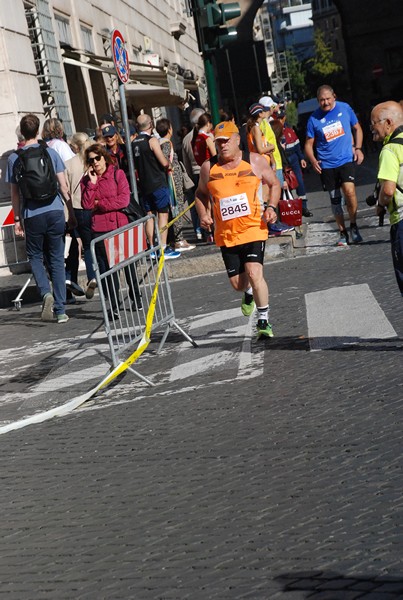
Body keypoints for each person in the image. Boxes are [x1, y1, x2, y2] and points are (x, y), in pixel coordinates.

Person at [195, 121, 281, 339]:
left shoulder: (255, 161)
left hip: (254, 228)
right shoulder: (209, 168)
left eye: (226, 141)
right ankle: (248, 293)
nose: (222, 146)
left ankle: (263, 321)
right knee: (239, 284)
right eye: (218, 142)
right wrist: (203, 214)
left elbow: (274, 184)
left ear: (237, 139)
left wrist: (271, 207)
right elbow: (200, 194)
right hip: (226, 234)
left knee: (254, 272)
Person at [7, 113, 76, 323]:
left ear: (22, 132)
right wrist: (71, 212)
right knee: (56, 259)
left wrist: (17, 220)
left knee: (35, 256)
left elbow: (15, 193)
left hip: (32, 215)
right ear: (38, 131)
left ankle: (45, 293)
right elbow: (64, 186)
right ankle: (61, 309)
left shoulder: (13, 158)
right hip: (54, 211)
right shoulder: (50, 152)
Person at [80, 143, 142, 317]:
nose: (95, 163)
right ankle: (114, 306)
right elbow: (86, 204)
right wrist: (92, 185)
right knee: (108, 271)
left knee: (129, 267)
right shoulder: (87, 180)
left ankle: (135, 296)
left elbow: (123, 200)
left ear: (104, 157)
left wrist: (100, 205)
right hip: (100, 230)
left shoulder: (117, 174)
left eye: (97, 158)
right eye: (91, 160)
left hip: (120, 226)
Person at [305, 84, 364, 246]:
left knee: (350, 192)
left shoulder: (344, 108)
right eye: (322, 100)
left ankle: (353, 224)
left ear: (334, 97)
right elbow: (308, 144)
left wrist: (358, 149)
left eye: (328, 99)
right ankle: (342, 232)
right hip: (327, 165)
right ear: (318, 101)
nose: (325, 103)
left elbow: (357, 128)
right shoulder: (314, 119)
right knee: (335, 199)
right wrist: (313, 160)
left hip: (345, 159)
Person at [132, 114, 180, 259]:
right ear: (151, 124)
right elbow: (163, 161)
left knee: (149, 216)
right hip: (157, 182)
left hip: (144, 185)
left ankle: (152, 248)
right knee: (162, 214)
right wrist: (169, 164)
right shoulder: (151, 140)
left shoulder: (134, 142)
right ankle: (163, 248)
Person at [370, 101, 403, 297]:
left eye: (374, 123)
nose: (372, 128)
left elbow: (388, 190)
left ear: (388, 123)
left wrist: (380, 204)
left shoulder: (390, 150)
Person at [65, 132, 97, 300]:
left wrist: (68, 214)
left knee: (71, 248)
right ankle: (92, 276)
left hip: (74, 209)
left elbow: (65, 191)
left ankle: (70, 280)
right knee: (89, 245)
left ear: (75, 146)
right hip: (89, 208)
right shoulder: (93, 161)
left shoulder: (68, 164)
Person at [155, 118, 195, 251]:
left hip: (168, 180)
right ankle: (179, 239)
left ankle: (173, 239)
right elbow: (166, 160)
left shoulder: (158, 143)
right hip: (172, 181)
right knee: (176, 207)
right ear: (169, 129)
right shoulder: (166, 143)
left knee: (173, 209)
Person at [277, 111, 313, 217]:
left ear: (284, 118)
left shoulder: (290, 130)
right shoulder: (275, 131)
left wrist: (301, 158)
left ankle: (304, 207)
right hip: (283, 159)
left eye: (282, 117)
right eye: (278, 118)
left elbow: (297, 145)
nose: (280, 120)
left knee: (299, 182)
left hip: (294, 158)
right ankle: (291, 208)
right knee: (286, 185)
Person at [182, 107, 205, 240]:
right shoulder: (207, 136)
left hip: (194, 174)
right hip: (206, 172)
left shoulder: (186, 139)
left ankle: (198, 229)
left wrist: (189, 178)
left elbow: (186, 163)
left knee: (196, 203)